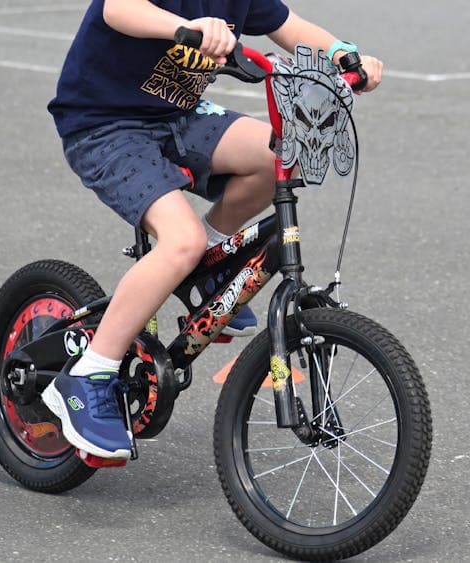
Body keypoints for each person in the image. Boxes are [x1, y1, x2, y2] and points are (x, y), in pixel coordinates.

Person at [42, 0, 382, 459]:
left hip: (177, 116)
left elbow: (289, 27)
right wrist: (186, 27)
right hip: (106, 123)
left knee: (280, 155)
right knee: (181, 239)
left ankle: (208, 265)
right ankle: (90, 374)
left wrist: (344, 54)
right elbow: (118, 9)